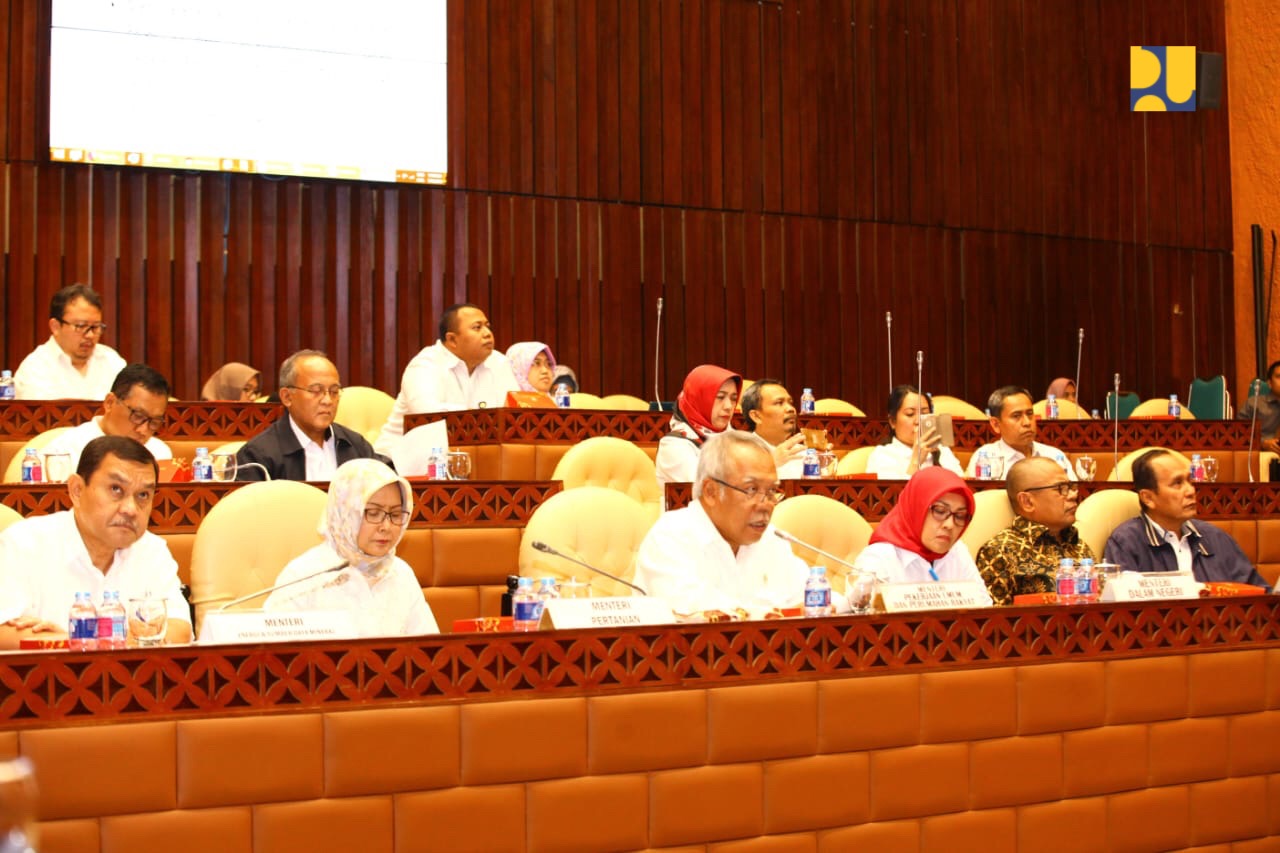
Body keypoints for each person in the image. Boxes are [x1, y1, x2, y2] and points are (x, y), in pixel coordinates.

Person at [0, 436, 193, 649]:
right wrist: (134, 637)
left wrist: (74, 640)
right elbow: (4, 634)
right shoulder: (24, 542)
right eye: (116, 489)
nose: (130, 509)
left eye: (143, 495)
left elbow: (179, 630)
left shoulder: (151, 550)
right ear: (77, 490)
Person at [634, 430, 816, 621]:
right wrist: (777, 612)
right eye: (751, 489)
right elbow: (697, 617)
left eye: (771, 491)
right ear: (711, 491)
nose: (766, 504)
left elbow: (814, 600)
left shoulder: (772, 539)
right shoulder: (669, 538)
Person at [264, 459, 439, 637]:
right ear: (346, 513)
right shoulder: (304, 575)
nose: (386, 526)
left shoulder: (401, 573)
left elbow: (429, 649)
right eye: (373, 513)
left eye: (395, 514)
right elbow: (274, 655)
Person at [1104, 450, 1271, 589]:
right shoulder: (1126, 543)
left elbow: (1260, 597)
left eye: (1190, 481)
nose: (1191, 491)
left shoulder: (1216, 538)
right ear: (1148, 498)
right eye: (1177, 483)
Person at [374, 304, 519, 455]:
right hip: (400, 461)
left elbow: (515, 413)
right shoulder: (425, 364)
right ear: (452, 340)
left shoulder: (499, 363)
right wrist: (482, 417)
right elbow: (427, 415)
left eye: (488, 327)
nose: (487, 333)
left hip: (471, 459)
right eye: (477, 328)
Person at [236, 350, 389, 481]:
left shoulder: (355, 446)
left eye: (334, 391)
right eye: (316, 391)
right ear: (287, 397)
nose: (328, 400)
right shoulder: (258, 456)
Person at [852, 467, 993, 603]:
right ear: (916, 508)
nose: (950, 525)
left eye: (960, 515)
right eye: (939, 510)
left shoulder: (958, 551)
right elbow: (860, 613)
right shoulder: (879, 557)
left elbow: (983, 609)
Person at [975, 458, 1095, 605]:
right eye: (1061, 488)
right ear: (1027, 502)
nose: (1072, 495)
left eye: (1070, 487)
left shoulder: (1079, 546)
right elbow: (993, 619)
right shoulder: (1000, 551)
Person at [42, 364, 173, 470]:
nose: (143, 430)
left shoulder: (159, 454)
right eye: (138, 416)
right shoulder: (63, 452)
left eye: (154, 422)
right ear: (110, 403)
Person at [14, 284, 127, 400]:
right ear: (55, 327)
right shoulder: (35, 368)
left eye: (95, 327)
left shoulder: (112, 361)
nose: (90, 335)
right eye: (81, 326)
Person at [655, 365, 742, 494]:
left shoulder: (736, 439)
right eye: (720, 397)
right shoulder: (673, 446)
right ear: (698, 399)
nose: (729, 406)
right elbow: (707, 491)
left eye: (733, 399)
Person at [964, 386, 1075, 480]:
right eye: (1016, 416)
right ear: (996, 424)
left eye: (1030, 414)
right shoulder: (985, 458)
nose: (1027, 422)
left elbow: (1073, 496)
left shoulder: (1054, 456)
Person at [865, 385, 964, 479]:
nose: (918, 421)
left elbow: (961, 486)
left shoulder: (942, 449)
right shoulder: (882, 455)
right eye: (910, 414)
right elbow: (894, 495)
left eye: (924, 413)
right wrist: (916, 461)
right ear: (892, 422)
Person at [739, 378, 809, 478]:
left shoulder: (804, 453)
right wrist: (771, 463)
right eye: (779, 403)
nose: (791, 409)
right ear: (756, 416)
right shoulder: (739, 453)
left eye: (790, 403)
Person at [1238, 359, 1280, 455]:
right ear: (1269, 383)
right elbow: (1239, 434)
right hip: (1261, 455)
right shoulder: (1254, 404)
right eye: (1279, 377)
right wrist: (1262, 443)